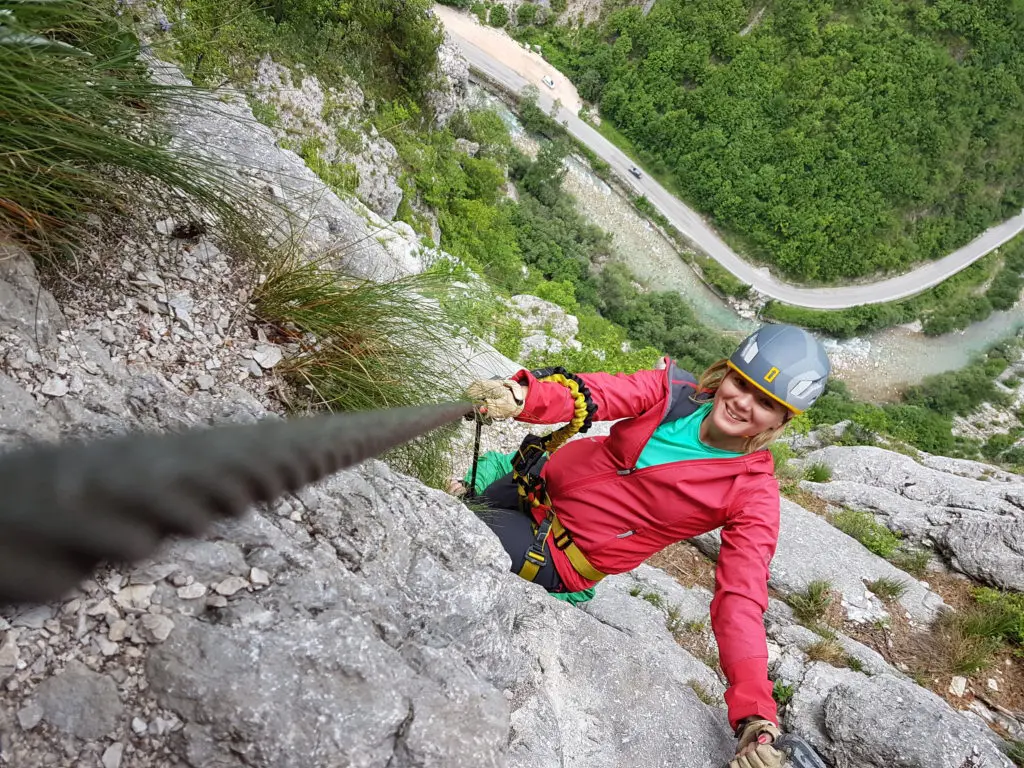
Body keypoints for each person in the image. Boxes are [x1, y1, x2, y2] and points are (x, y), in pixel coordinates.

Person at [463, 324, 830, 768]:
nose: (742, 403)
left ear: (782, 420)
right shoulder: (676, 395)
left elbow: (741, 600)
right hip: (529, 484)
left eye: (766, 402)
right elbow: (597, 394)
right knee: (450, 501)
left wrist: (755, 716)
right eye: (740, 383)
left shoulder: (750, 492)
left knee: (455, 531)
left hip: (558, 553)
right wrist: (526, 397)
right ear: (726, 372)